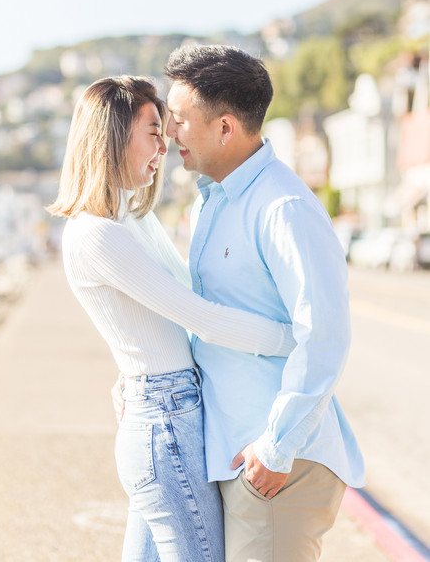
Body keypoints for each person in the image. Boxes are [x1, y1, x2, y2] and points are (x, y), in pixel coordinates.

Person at [48, 76, 295, 562]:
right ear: (113, 134)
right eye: (153, 131)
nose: (165, 145)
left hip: (168, 414)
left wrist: (128, 373)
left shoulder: (132, 218)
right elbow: (199, 317)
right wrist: (293, 340)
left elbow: (170, 304)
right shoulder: (95, 233)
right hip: (165, 424)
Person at [164, 44, 365, 562]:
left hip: (276, 466)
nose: (170, 132)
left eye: (180, 119)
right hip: (237, 456)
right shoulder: (214, 202)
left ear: (226, 127)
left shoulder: (284, 207)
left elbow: (324, 335)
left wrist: (275, 448)